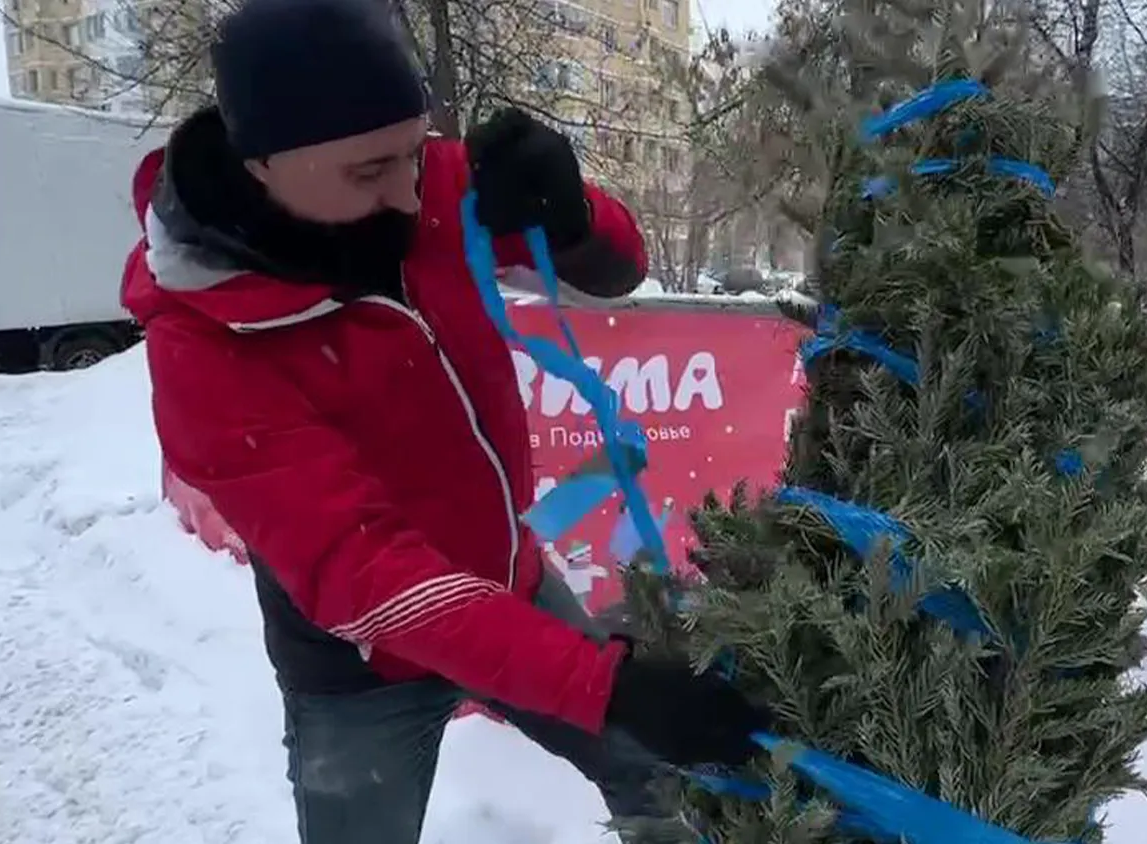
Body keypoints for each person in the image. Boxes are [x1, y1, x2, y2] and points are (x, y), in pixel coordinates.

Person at [119, 0, 769, 840]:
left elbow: (618, 266)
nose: (408, 190)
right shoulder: (203, 342)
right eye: (368, 172)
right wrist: (603, 684)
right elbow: (370, 576)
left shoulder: (424, 181)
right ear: (260, 165)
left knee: (657, 776)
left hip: (512, 586)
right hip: (359, 670)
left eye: (413, 152)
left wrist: (570, 215)